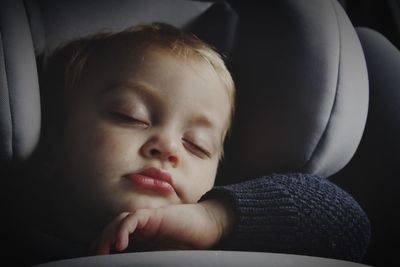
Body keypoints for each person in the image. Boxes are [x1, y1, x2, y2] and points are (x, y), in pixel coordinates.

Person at [8, 22, 370, 265]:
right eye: (130, 116)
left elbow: (350, 225)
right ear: (53, 137)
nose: (168, 148)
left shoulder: (212, 230)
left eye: (197, 145)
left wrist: (215, 219)